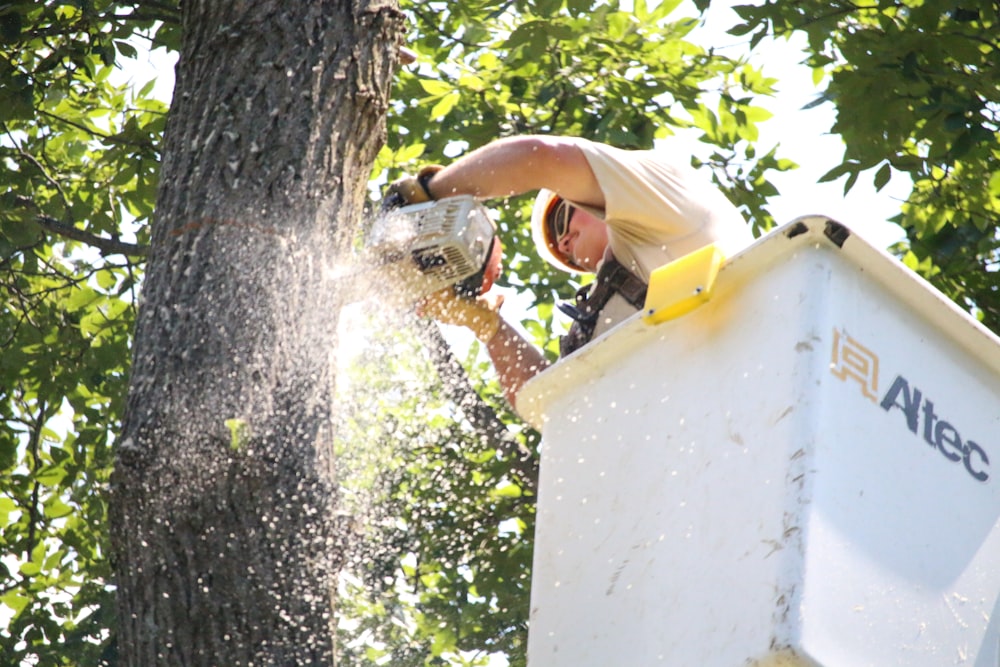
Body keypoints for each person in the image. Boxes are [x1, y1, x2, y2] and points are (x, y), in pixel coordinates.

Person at [387, 135, 753, 411]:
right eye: (567, 257)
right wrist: (489, 327)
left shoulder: (668, 198)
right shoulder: (611, 309)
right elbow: (550, 406)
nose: (563, 243)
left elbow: (542, 158)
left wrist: (428, 195)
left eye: (564, 216)